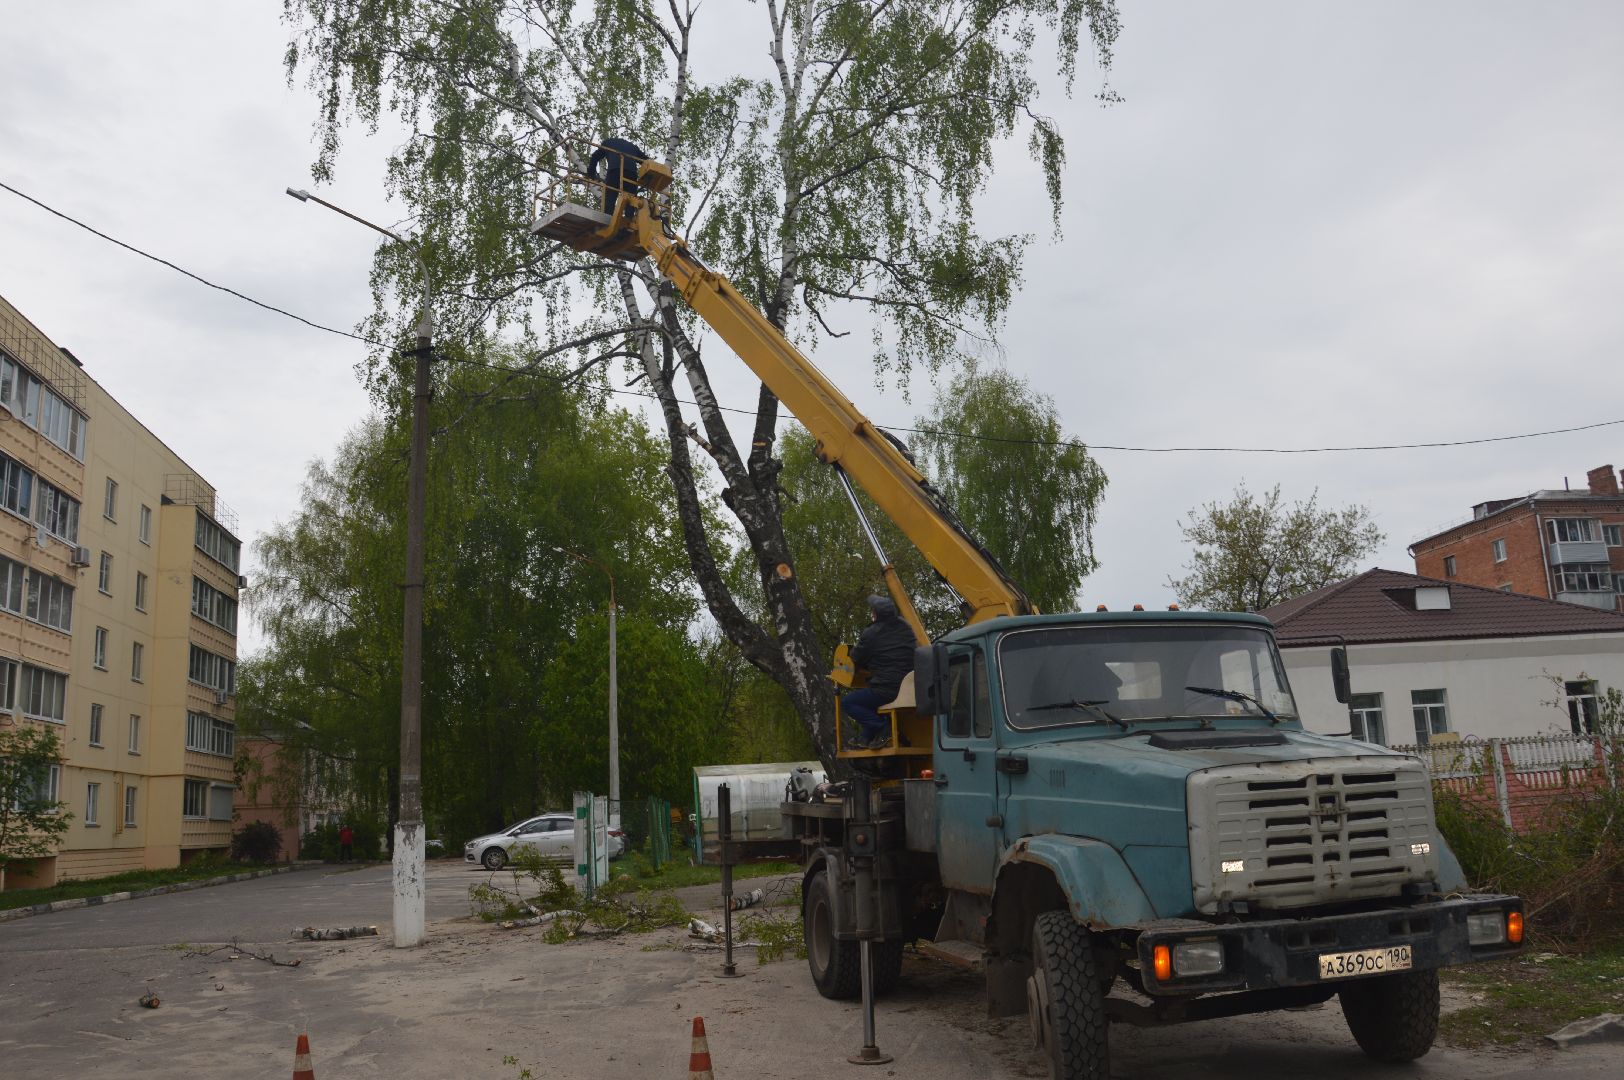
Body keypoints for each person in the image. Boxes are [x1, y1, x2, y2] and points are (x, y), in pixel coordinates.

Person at [842, 594, 917, 749]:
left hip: (887, 689)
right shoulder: (906, 627)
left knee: (849, 702)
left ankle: (884, 729)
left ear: (875, 614)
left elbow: (856, 658)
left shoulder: (872, 633)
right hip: (909, 688)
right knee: (870, 702)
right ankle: (864, 738)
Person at [586, 137, 648, 214]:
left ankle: (607, 216)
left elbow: (595, 157)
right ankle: (629, 217)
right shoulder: (633, 147)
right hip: (631, 174)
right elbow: (647, 162)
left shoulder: (608, 142)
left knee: (610, 196)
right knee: (631, 200)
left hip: (615, 171)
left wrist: (591, 174)